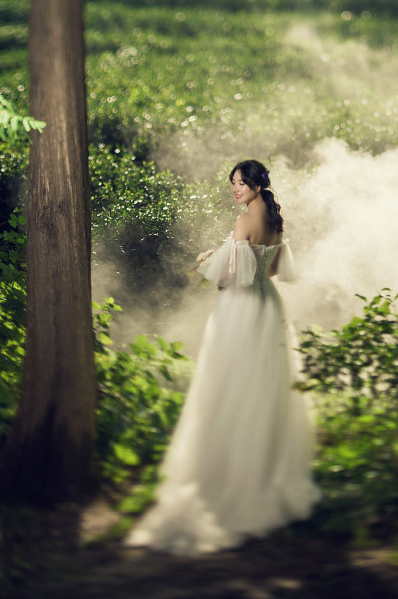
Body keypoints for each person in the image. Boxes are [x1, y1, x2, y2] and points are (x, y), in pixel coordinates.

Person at [127, 159, 319, 555]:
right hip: (269, 307)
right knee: (264, 390)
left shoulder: (244, 219)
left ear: (256, 184)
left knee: (232, 388)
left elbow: (230, 282)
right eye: (232, 182)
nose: (235, 189)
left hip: (242, 310)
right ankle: (264, 473)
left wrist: (206, 263)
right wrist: (229, 255)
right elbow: (271, 272)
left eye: (241, 182)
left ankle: (232, 478)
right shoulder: (275, 218)